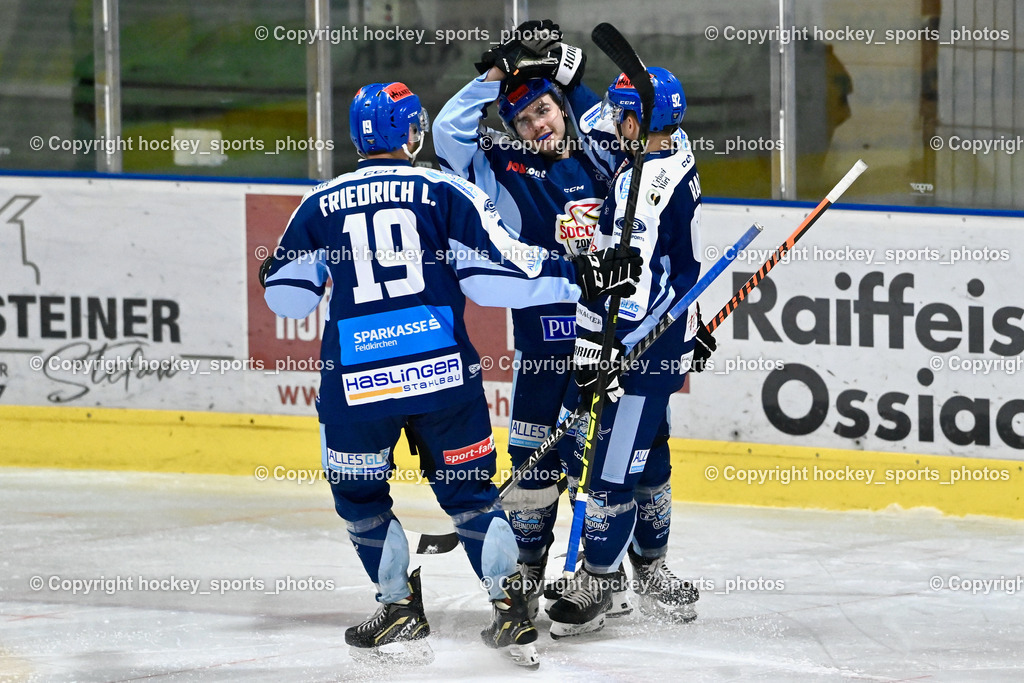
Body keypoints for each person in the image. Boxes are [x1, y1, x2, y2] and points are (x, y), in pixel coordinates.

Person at [260, 81, 641, 667]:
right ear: (411, 133)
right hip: (442, 375)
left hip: (357, 382)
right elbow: (502, 274)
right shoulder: (444, 191)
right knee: (471, 498)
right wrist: (579, 271)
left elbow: (286, 297)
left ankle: (397, 608)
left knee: (360, 497)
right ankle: (511, 611)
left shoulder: (319, 202)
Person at [433, 20, 646, 618]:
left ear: (563, 106)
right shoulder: (502, 163)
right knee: (531, 467)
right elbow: (449, 132)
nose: (537, 125)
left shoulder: (598, 150)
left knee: (602, 467)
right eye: (524, 120)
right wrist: (496, 73)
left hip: (604, 340)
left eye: (545, 111)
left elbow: (634, 118)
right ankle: (528, 572)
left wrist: (565, 76)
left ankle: (602, 575)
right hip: (540, 349)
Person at [546, 67, 713, 638]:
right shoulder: (676, 150)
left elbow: (634, 286)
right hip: (665, 342)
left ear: (637, 121)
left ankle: (598, 582)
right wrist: (572, 80)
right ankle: (653, 570)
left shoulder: (639, 187)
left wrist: (602, 351)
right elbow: (675, 263)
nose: (610, 124)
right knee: (650, 453)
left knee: (612, 466)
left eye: (621, 115)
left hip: (636, 349)